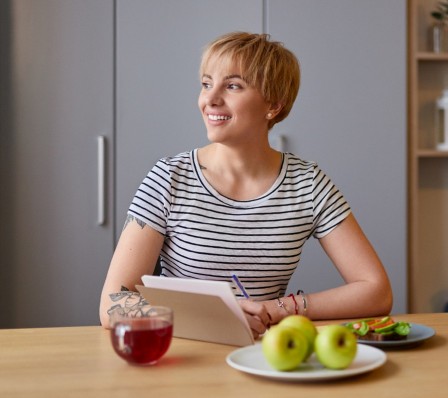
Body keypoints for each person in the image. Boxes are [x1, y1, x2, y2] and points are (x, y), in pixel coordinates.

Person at [99, 32, 392, 338]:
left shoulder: (307, 184)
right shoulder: (169, 178)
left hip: (264, 356)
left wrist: (280, 308)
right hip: (185, 356)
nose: (210, 99)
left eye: (233, 86)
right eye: (206, 83)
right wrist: (216, 316)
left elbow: (376, 291)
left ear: (273, 106)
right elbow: (112, 304)